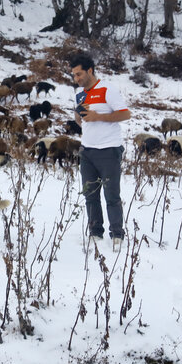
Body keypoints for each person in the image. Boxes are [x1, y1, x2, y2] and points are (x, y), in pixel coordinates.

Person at [69, 53, 131, 252]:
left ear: (90, 70)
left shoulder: (107, 89)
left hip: (108, 150)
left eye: (79, 74)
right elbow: (80, 120)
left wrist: (98, 116)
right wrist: (81, 117)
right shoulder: (80, 94)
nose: (76, 79)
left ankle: (117, 236)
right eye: (74, 76)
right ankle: (95, 233)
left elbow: (125, 113)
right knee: (90, 195)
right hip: (87, 150)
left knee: (111, 195)